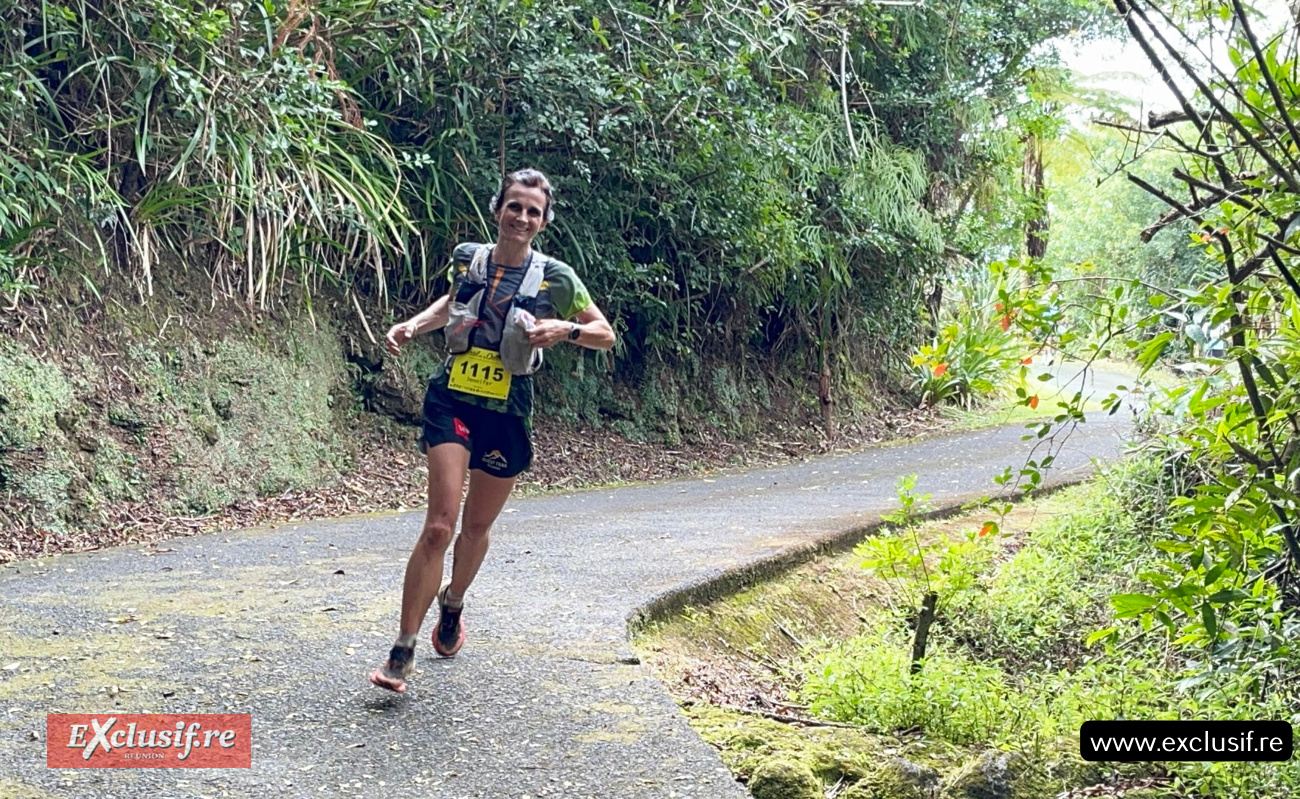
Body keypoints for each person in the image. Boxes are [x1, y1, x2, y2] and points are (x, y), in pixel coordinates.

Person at [370, 168, 616, 693]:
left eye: (533, 211)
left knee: (476, 528)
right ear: (497, 209)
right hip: (453, 397)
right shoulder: (468, 257)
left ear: (544, 221)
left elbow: (604, 332)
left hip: (507, 409)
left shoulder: (557, 278)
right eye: (515, 206)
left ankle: (453, 602)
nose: (522, 217)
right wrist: (414, 324)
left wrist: (565, 329)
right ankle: (401, 651)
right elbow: (455, 302)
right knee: (440, 524)